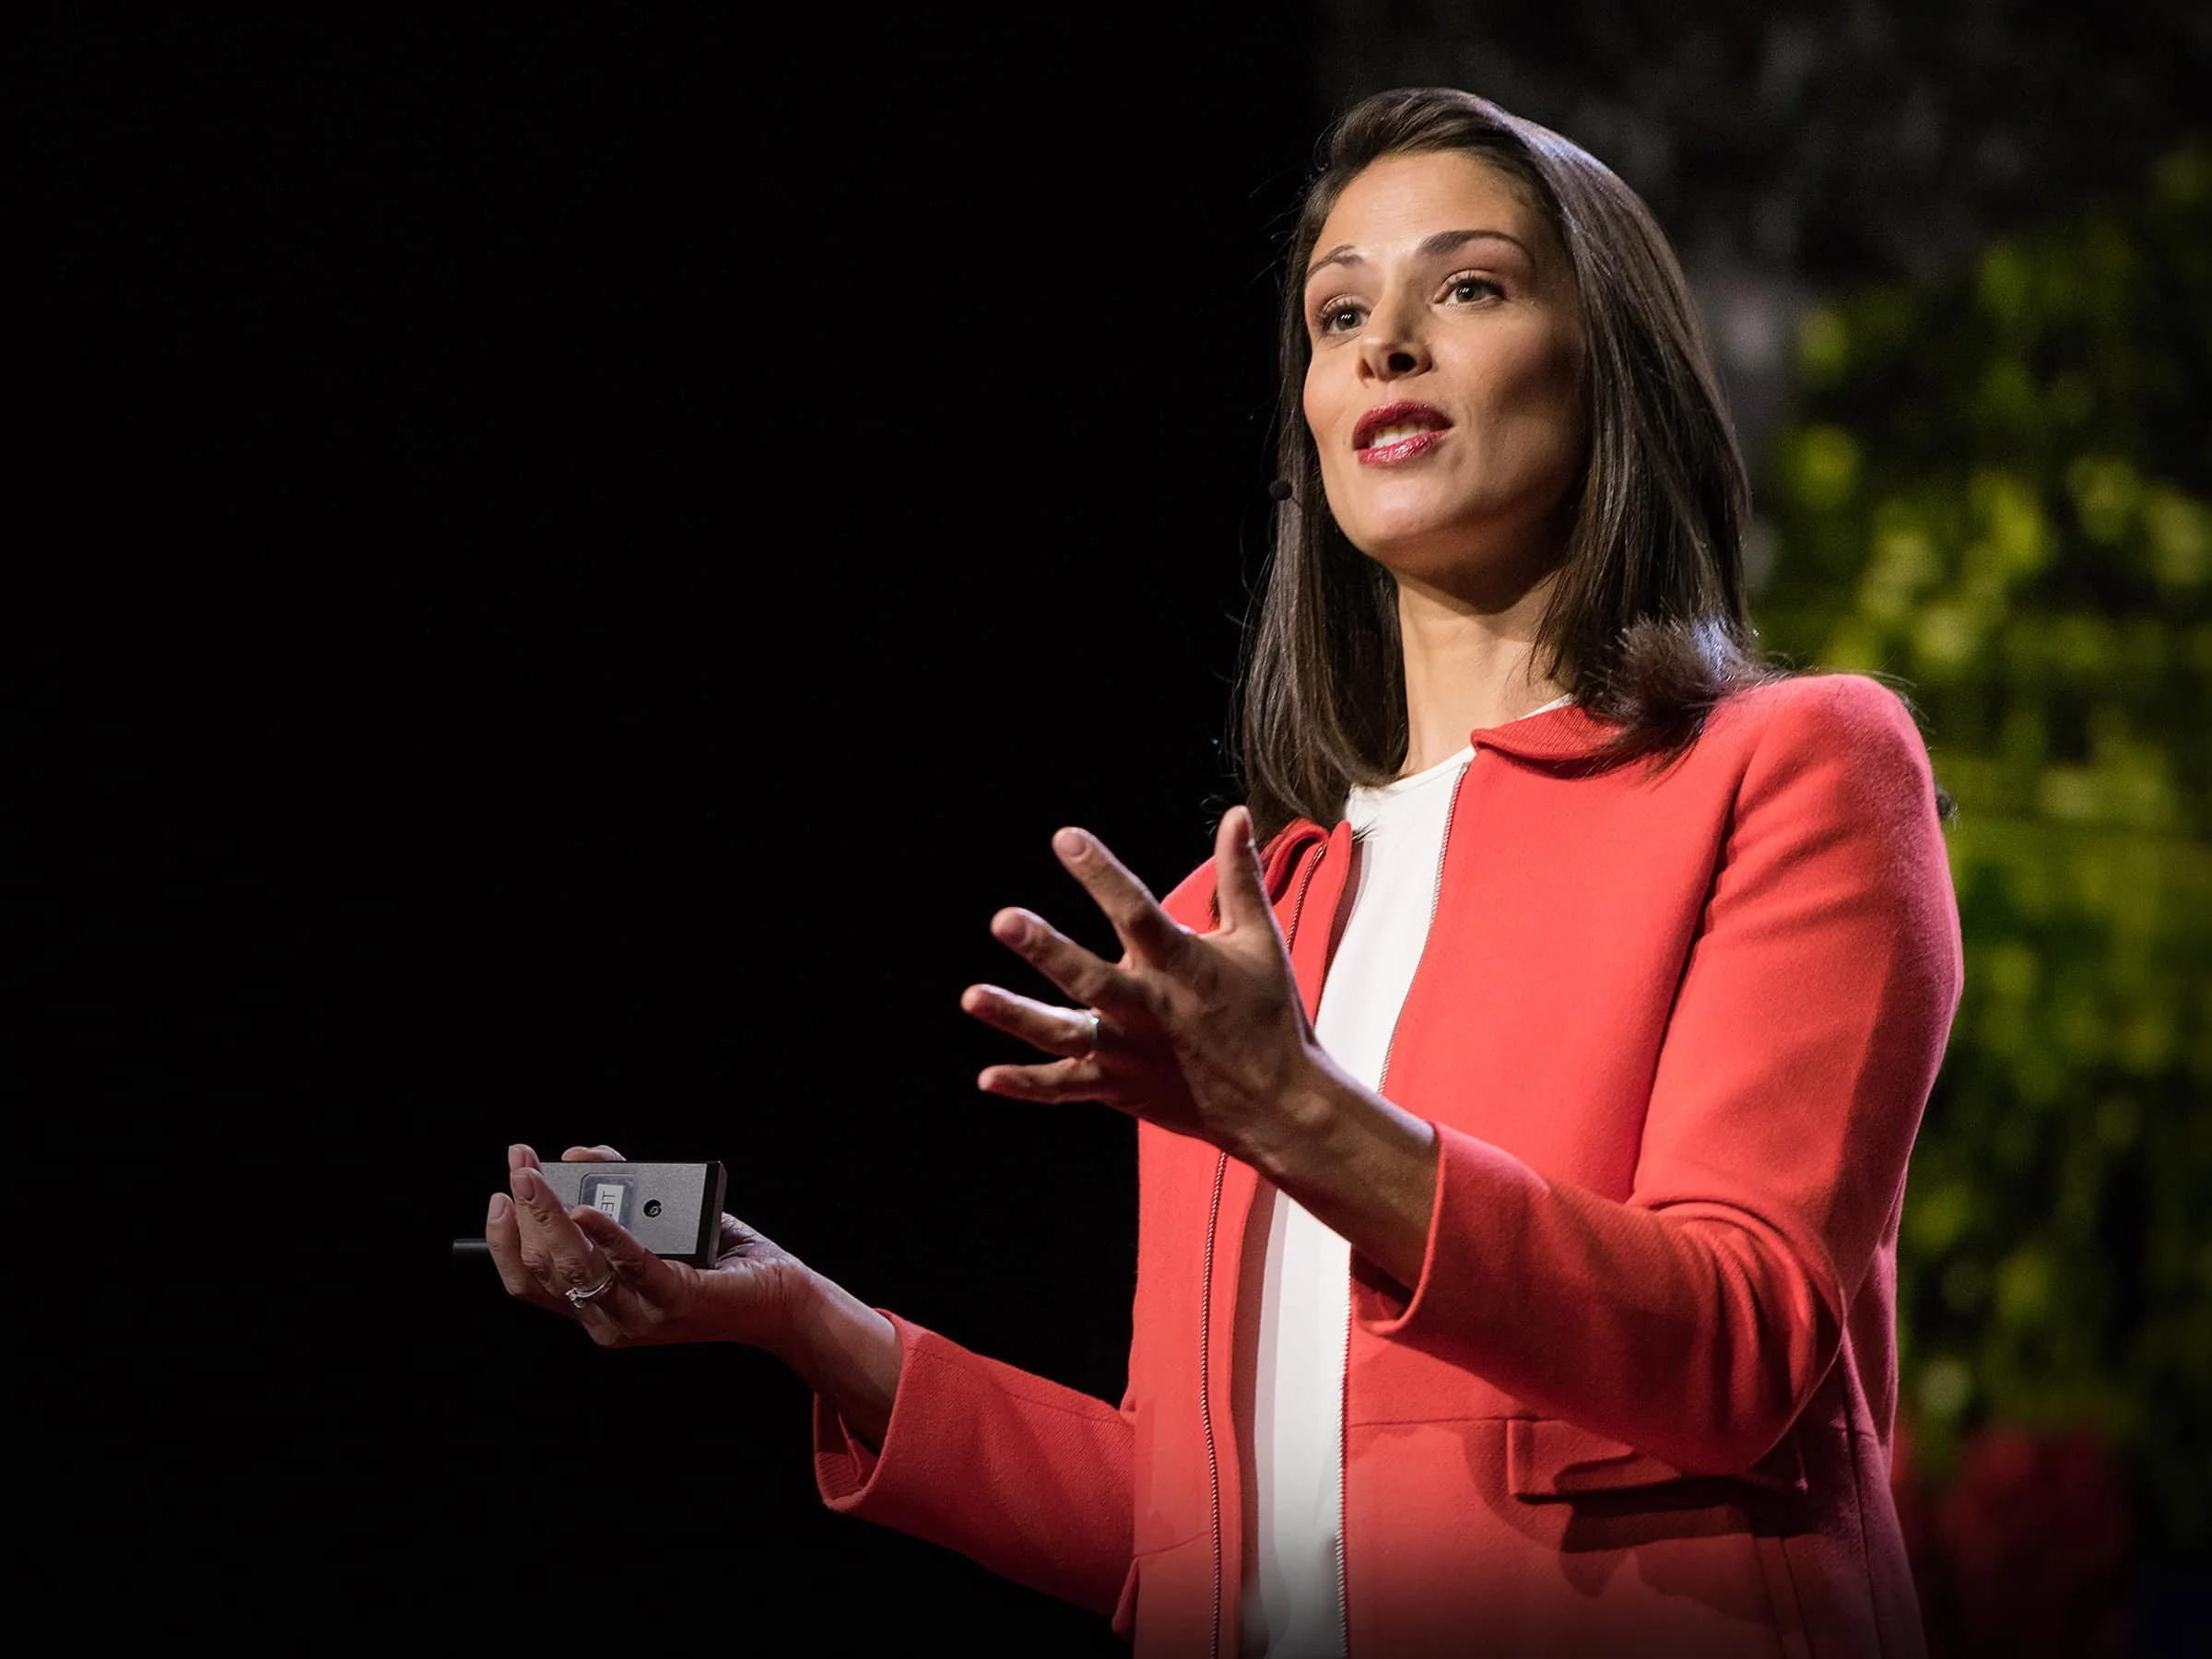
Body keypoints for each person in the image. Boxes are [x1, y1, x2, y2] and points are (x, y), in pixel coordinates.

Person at [486, 87, 1961, 1658]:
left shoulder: (1790, 770)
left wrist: (1295, 1107)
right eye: (1339, 314)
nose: (1384, 346)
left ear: (1614, 367)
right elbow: (1189, 1517)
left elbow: (1740, 1350)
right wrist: (806, 1325)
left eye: (1466, 287)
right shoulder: (1233, 931)